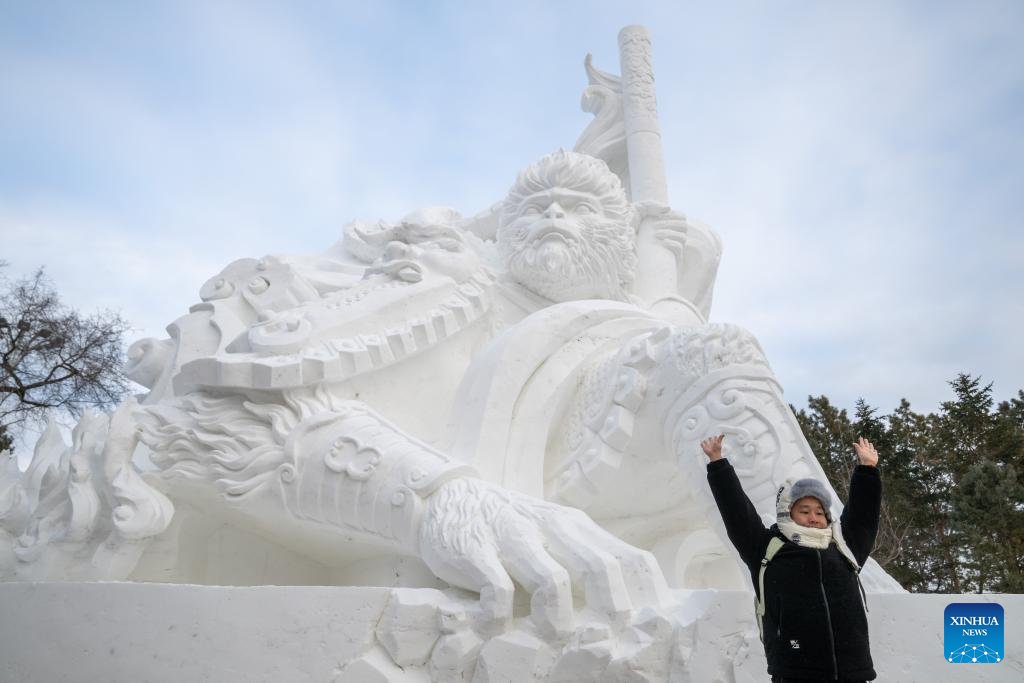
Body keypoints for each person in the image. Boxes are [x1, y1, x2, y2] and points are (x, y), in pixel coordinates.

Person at [701, 433, 881, 682]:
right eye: (804, 510)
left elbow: (863, 517)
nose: (814, 517)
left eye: (820, 511)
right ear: (788, 512)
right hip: (795, 671)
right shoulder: (768, 550)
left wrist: (867, 470)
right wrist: (718, 464)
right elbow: (737, 514)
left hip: (852, 672)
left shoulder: (843, 549)